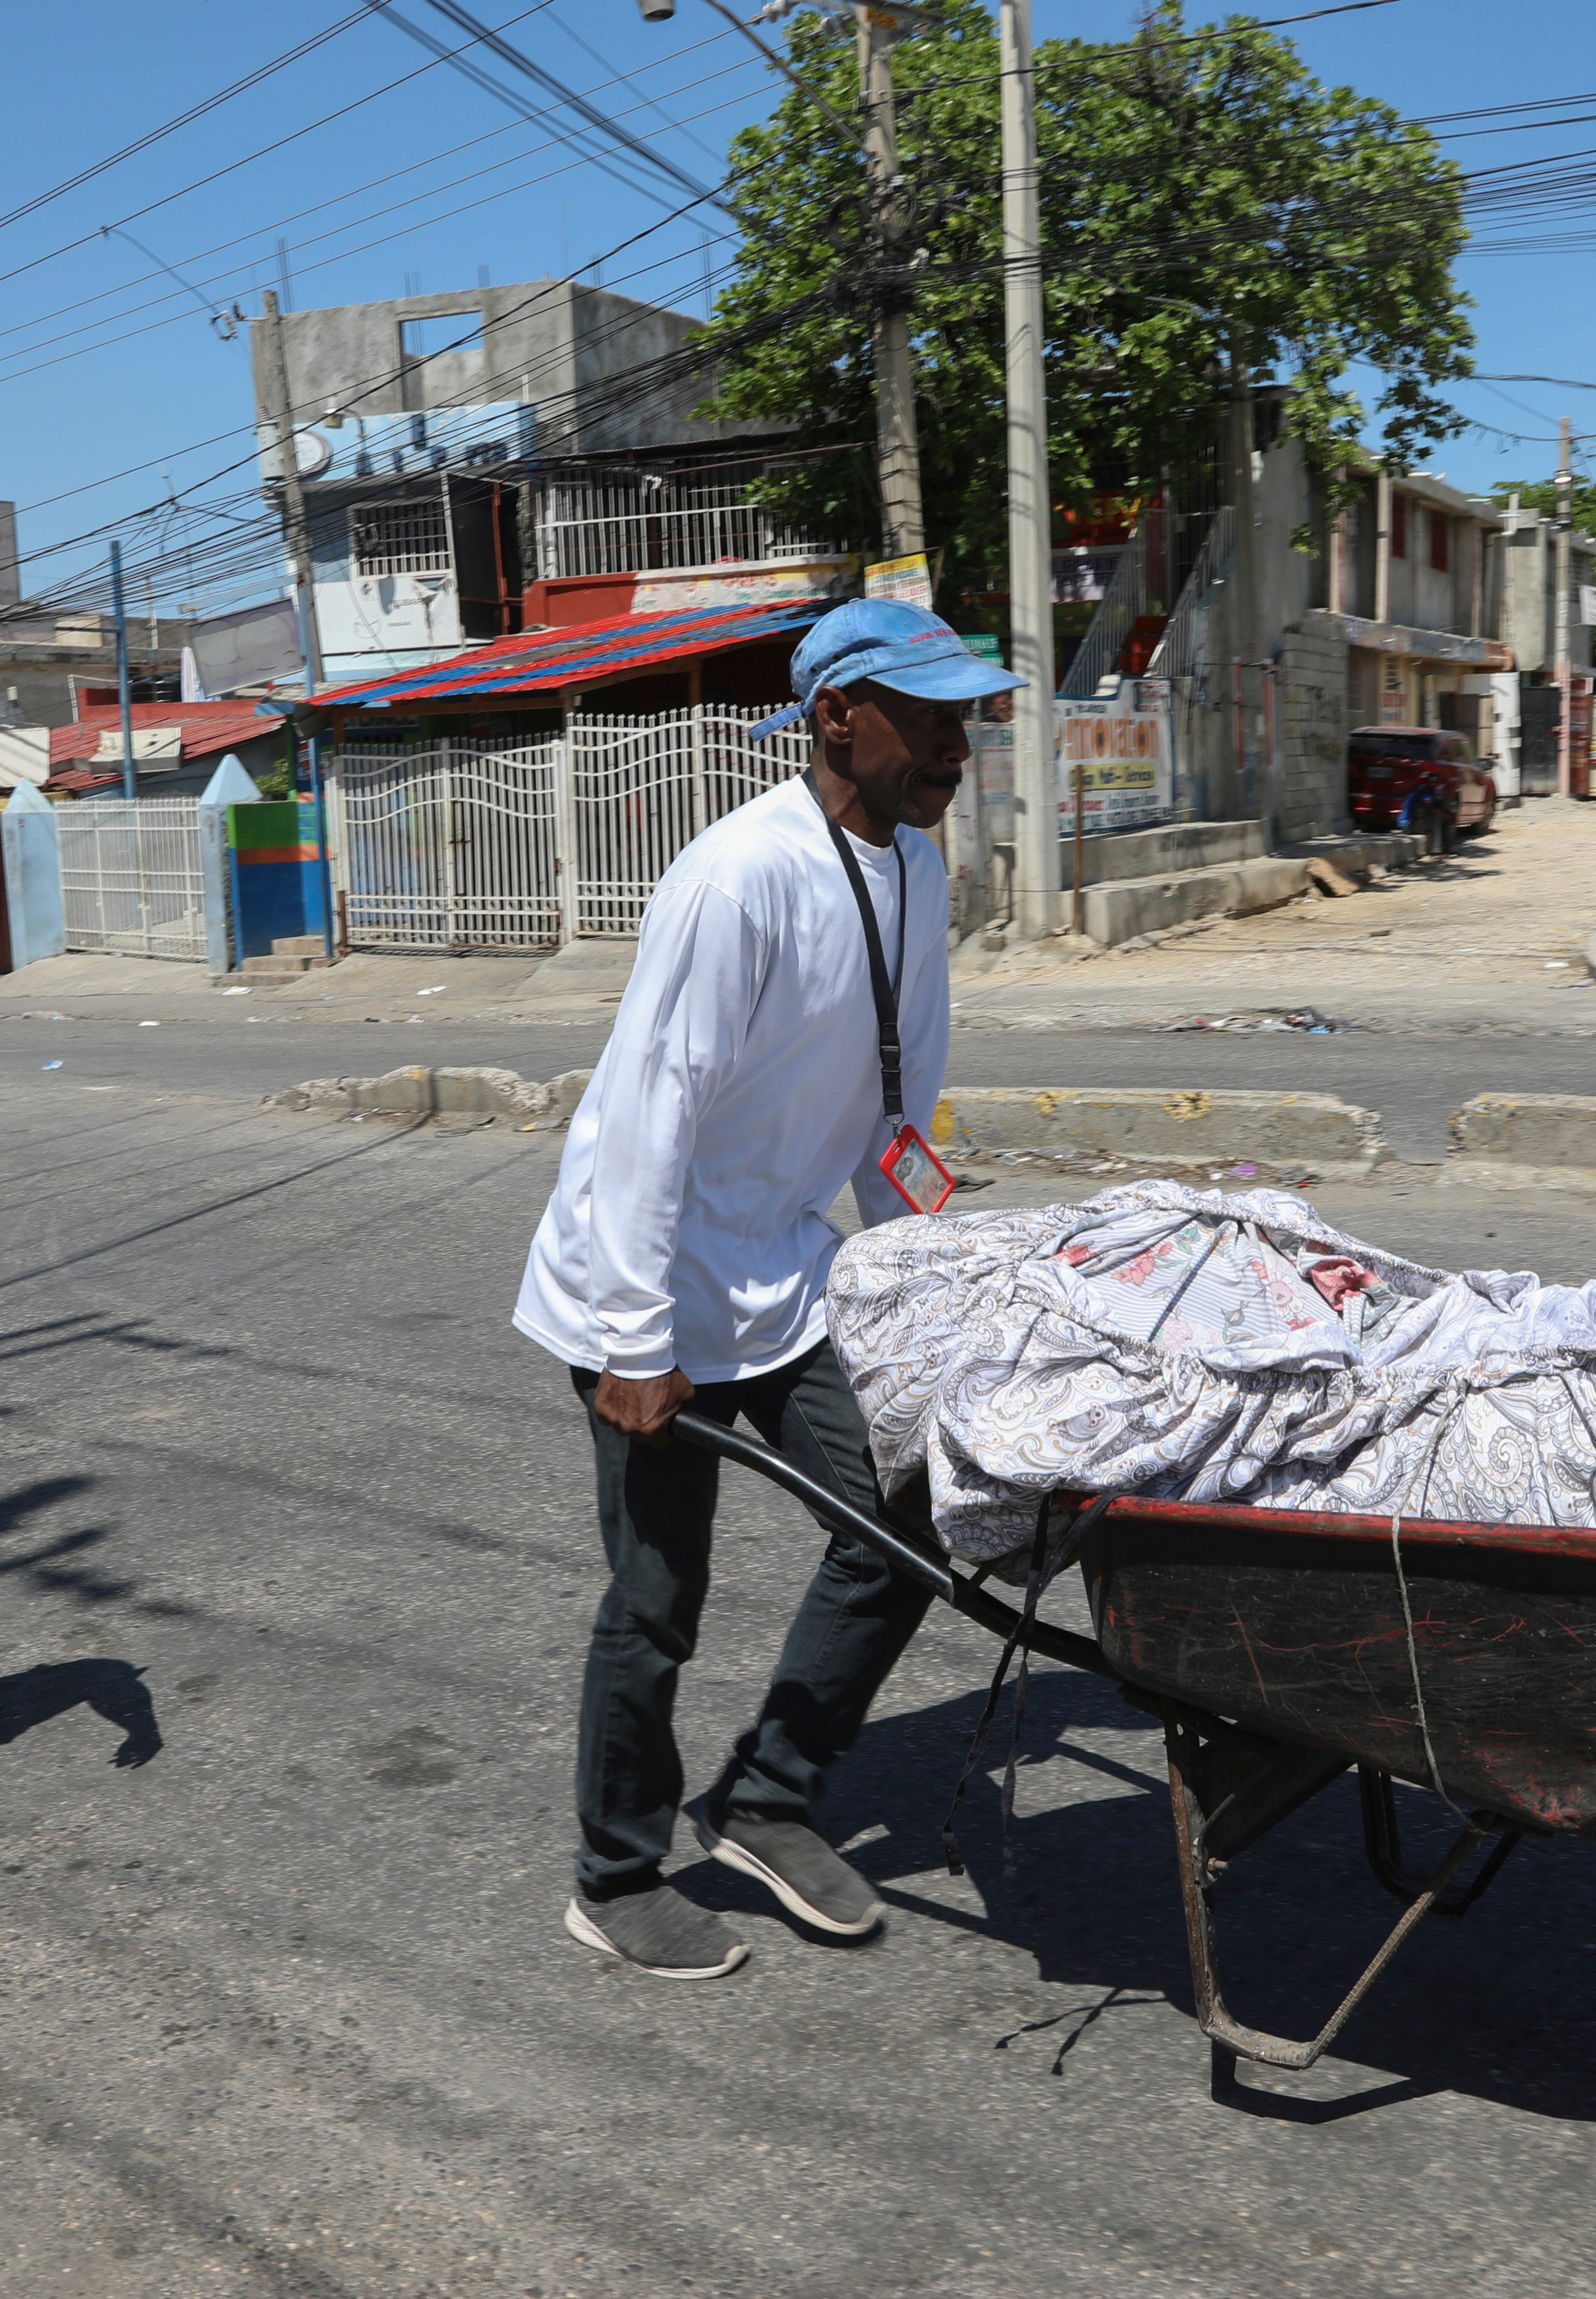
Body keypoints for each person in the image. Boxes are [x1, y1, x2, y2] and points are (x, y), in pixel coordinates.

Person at [515, 597, 1022, 1981]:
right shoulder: (737, 877)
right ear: (838, 716)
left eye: (967, 720)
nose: (957, 748)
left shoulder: (914, 872)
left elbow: (892, 1111)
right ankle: (614, 1875)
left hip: (785, 1275)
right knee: (658, 1599)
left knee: (905, 1515)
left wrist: (934, 1270)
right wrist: (631, 1343)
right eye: (931, 719)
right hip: (649, 1283)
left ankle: (767, 1795)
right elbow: (643, 1118)